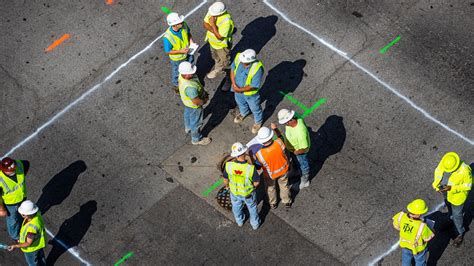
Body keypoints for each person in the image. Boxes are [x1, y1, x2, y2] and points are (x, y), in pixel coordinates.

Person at [432, 152, 472, 247]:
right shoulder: (446, 161)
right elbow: (438, 171)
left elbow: (467, 186)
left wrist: (452, 188)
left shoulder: (465, 170)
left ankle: (459, 233)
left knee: (457, 215)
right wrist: (436, 185)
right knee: (449, 206)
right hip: (445, 190)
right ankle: (451, 219)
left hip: (457, 197)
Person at [222, 142, 261, 230]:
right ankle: (255, 224)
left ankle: (239, 221)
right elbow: (257, 182)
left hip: (235, 193)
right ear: (244, 153)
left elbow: (225, 179)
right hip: (248, 194)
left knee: (236, 207)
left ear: (235, 155)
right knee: (252, 208)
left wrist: (227, 186)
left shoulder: (229, 166)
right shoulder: (250, 168)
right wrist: (253, 187)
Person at [254, 126, 292, 209]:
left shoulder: (259, 153)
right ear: (271, 136)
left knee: (270, 188)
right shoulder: (279, 142)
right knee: (284, 185)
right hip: (283, 169)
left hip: (270, 175)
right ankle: (287, 201)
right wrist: (275, 129)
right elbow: (281, 137)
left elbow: (257, 166)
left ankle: (273, 203)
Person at [230, 49, 264, 134]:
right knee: (240, 103)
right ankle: (243, 113)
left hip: (250, 95)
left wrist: (239, 89)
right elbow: (232, 70)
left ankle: (258, 122)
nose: (241, 62)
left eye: (244, 62)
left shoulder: (257, 68)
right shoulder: (239, 57)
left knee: (255, 108)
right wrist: (234, 84)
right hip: (237, 89)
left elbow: (253, 85)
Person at [276, 109, 311, 189]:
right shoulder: (296, 118)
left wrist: (296, 152)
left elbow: (305, 148)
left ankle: (305, 180)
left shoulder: (300, 132)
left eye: (285, 122)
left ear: (289, 121)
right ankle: (296, 172)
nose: (284, 124)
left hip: (299, 152)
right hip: (292, 149)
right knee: (295, 162)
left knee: (303, 166)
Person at [178, 62, 211, 145]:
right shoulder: (190, 88)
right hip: (194, 107)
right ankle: (196, 139)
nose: (193, 73)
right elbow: (197, 102)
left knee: (187, 114)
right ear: (186, 74)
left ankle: (188, 128)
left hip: (187, 103)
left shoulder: (181, 76)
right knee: (196, 123)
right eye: (191, 73)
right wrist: (204, 101)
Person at [392, 199, 434, 266]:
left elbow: (396, 226)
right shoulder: (422, 226)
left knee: (406, 260)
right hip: (418, 249)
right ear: (418, 214)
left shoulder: (401, 216)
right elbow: (427, 238)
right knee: (420, 262)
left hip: (405, 245)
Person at [7, 200, 47, 266]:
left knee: (32, 263)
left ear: (28, 215)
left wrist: (15, 246)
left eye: (23, 214)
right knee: (41, 258)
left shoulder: (31, 228)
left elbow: (28, 243)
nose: (21, 214)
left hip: (31, 249)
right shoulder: (37, 215)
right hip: (39, 244)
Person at [163, 12, 195, 91]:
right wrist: (181, 51)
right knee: (177, 72)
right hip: (178, 59)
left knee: (191, 65)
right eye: (180, 22)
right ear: (174, 25)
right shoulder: (168, 37)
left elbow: (188, 33)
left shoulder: (184, 25)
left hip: (188, 52)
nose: (182, 22)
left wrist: (191, 42)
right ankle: (177, 85)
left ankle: (190, 78)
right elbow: (168, 51)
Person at [203, 1, 234, 79]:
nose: (211, 15)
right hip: (212, 43)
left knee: (225, 62)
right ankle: (219, 66)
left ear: (220, 13)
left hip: (222, 46)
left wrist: (213, 24)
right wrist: (214, 30)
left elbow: (219, 37)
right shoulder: (213, 11)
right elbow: (205, 24)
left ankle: (228, 76)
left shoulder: (227, 21)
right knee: (215, 57)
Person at [0, 157, 27, 241]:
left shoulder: (19, 164)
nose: (13, 172)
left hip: (23, 196)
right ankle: (15, 236)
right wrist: (1, 209)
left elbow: (26, 163)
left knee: (23, 214)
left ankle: (24, 224)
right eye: (10, 171)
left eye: (14, 169)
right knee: (13, 220)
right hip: (10, 203)